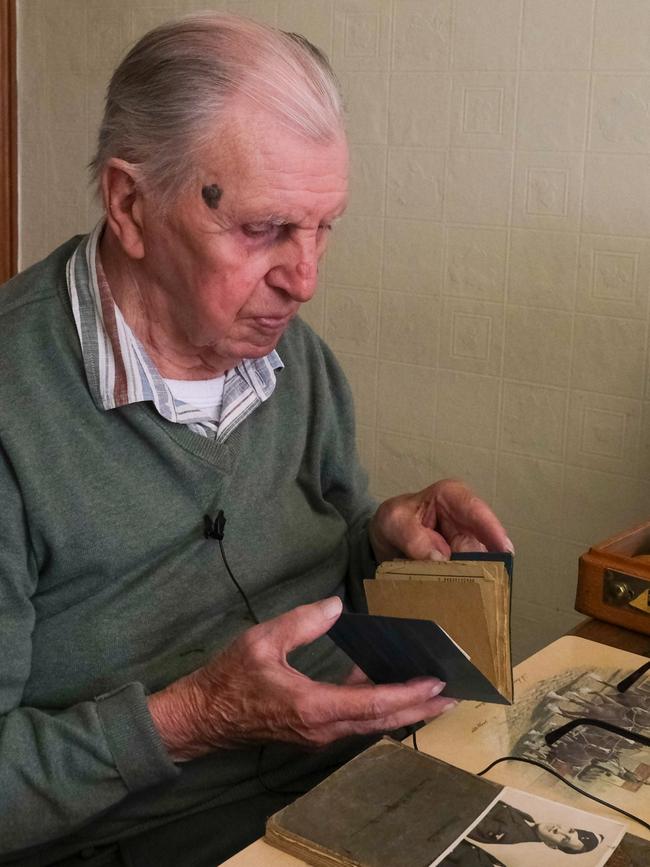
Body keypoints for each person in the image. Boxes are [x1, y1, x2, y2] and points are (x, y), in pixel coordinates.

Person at [0, 13, 512, 867]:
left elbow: (307, 566)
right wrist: (196, 718)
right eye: (263, 229)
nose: (304, 279)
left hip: (349, 780)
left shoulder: (289, 356)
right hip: (140, 837)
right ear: (130, 204)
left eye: (324, 227)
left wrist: (379, 542)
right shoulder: (17, 411)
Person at [468, 801, 601, 854]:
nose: (558, 830)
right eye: (570, 831)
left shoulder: (507, 833)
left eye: (564, 839)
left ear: (550, 845)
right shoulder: (529, 820)